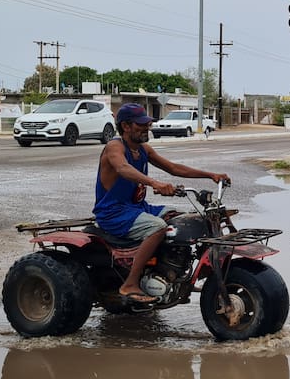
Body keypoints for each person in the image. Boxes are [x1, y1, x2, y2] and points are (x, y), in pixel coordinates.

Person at [94, 103, 229, 305]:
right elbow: (123, 168)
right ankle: (129, 284)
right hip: (113, 212)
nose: (146, 128)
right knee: (158, 228)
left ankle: (171, 273)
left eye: (147, 124)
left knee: (184, 220)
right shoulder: (115, 147)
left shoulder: (143, 150)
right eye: (140, 125)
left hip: (137, 208)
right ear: (126, 126)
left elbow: (174, 168)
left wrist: (210, 175)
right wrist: (154, 183)